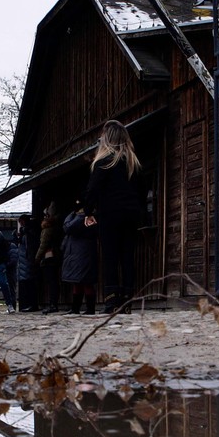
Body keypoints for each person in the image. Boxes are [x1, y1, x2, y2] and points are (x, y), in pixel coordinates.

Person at [81, 121, 146, 312]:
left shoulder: (103, 162)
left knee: (110, 257)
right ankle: (127, 301)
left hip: (109, 215)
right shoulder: (134, 163)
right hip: (131, 214)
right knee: (127, 257)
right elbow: (142, 192)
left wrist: (88, 212)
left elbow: (92, 190)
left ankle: (111, 301)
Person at [60, 203, 99, 313]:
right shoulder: (92, 218)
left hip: (80, 252)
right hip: (85, 252)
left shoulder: (81, 217)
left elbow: (68, 227)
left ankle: (82, 308)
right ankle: (81, 308)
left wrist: (71, 214)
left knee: (83, 281)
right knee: (80, 281)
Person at [34, 206, 62, 311]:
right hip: (56, 256)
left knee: (52, 282)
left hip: (49, 257)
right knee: (54, 281)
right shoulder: (57, 226)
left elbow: (43, 245)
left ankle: (52, 304)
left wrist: (37, 258)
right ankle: (53, 304)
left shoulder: (48, 229)